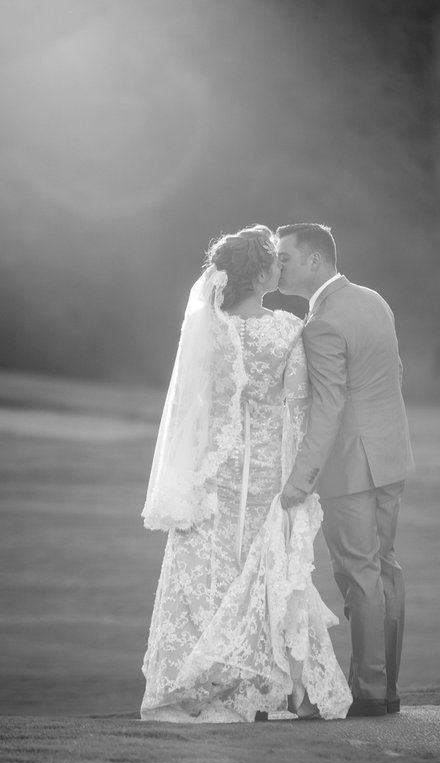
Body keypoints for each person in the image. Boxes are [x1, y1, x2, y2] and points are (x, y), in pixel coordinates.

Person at [140, 224, 352, 723]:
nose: (280, 266)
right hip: (264, 474)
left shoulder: (208, 327)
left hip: (213, 472)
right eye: (273, 260)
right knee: (259, 574)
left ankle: (196, 687)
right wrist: (302, 473)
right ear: (257, 273)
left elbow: (194, 407)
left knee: (207, 571)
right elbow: (298, 407)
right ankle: (254, 688)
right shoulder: (286, 328)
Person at [276, 223, 414, 718]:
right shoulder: (375, 300)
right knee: (384, 571)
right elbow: (393, 374)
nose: (279, 266)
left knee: (360, 577)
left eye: (285, 257)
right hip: (390, 455)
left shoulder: (322, 323)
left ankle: (372, 693)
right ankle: (385, 688)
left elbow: (328, 409)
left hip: (351, 468)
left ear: (314, 260)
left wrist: (301, 478)